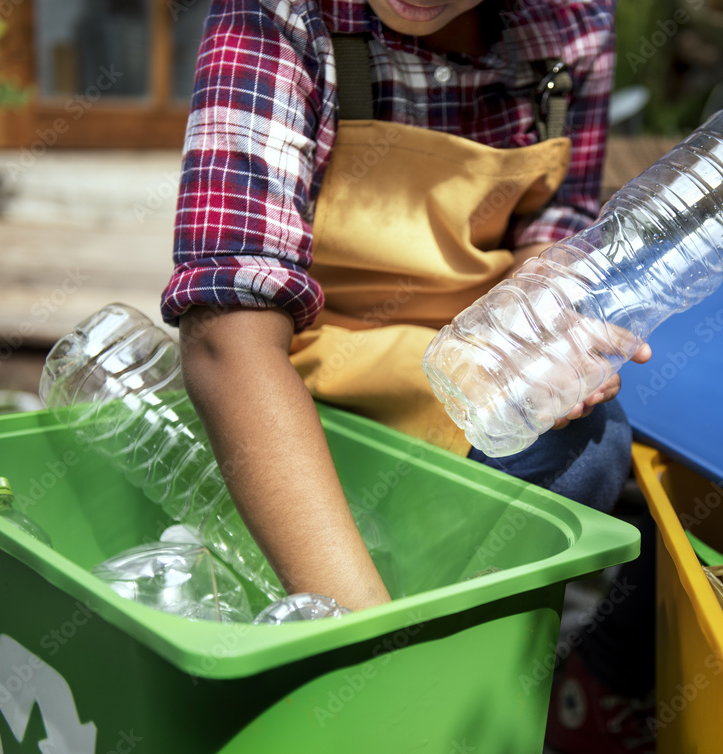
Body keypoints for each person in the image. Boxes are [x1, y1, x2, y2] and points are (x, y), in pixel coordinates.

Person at [162, 0, 654, 746]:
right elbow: (226, 337)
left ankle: (469, 679)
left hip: (456, 366)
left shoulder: (570, 23)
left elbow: (553, 224)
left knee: (590, 446)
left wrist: (549, 317)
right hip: (300, 377)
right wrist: (364, 654)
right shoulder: (281, 14)